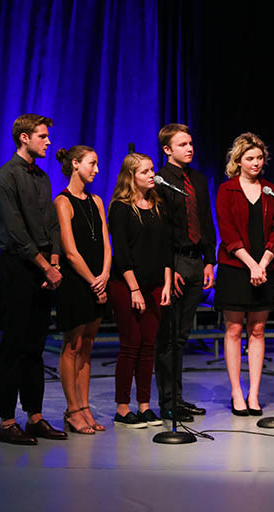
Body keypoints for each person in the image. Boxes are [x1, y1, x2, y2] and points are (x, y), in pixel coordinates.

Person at [0, 113, 68, 444]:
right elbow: (15, 232)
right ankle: (7, 421)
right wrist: (45, 266)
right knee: (14, 344)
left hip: (43, 270)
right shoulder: (5, 177)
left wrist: (54, 260)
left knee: (36, 346)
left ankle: (34, 415)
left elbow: (50, 223)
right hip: (19, 268)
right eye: (42, 136)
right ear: (24, 138)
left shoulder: (42, 177)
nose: (48, 141)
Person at [215, 133, 274, 417]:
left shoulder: (272, 190)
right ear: (238, 161)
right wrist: (251, 265)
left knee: (257, 330)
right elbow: (227, 231)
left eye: (259, 158)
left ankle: (254, 393)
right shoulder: (227, 190)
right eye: (250, 158)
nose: (256, 163)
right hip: (236, 269)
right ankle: (236, 392)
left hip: (264, 269)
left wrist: (264, 264)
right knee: (233, 330)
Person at [154, 123, 216, 423]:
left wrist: (209, 260)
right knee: (168, 338)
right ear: (167, 150)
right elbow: (161, 231)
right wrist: (168, 269)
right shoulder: (161, 181)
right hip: (175, 262)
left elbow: (205, 219)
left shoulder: (199, 179)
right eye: (182, 144)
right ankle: (167, 401)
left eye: (190, 143)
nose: (189, 148)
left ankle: (178, 398)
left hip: (195, 261)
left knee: (182, 336)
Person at [107, 153, 172, 428]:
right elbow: (122, 253)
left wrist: (167, 283)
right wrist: (134, 289)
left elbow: (166, 249)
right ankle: (123, 408)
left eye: (152, 170)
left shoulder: (158, 205)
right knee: (130, 345)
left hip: (156, 284)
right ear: (131, 176)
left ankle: (145, 406)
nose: (151, 175)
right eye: (145, 171)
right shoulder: (121, 208)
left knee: (148, 347)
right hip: (127, 285)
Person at [54, 146, 111, 434]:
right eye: (92, 163)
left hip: (98, 280)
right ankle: (72, 409)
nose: (96, 170)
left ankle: (85, 406)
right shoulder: (62, 202)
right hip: (77, 282)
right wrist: (93, 281)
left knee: (88, 345)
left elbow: (105, 243)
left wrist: (104, 275)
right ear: (75, 164)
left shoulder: (96, 201)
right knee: (73, 345)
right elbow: (70, 251)